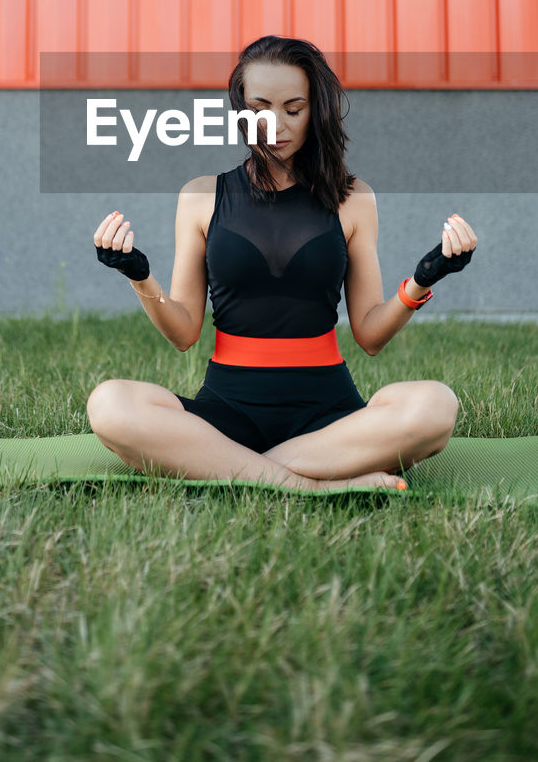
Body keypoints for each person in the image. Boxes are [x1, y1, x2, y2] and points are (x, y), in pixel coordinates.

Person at [88, 35, 476, 493]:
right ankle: (305, 483)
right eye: (260, 108)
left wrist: (424, 279)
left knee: (435, 406)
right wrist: (138, 274)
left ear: (317, 111)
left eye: (294, 109)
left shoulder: (353, 199)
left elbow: (370, 336)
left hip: (330, 418)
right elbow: (183, 332)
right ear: (240, 109)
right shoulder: (200, 196)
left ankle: (234, 469)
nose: (275, 124)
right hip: (227, 410)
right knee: (109, 403)